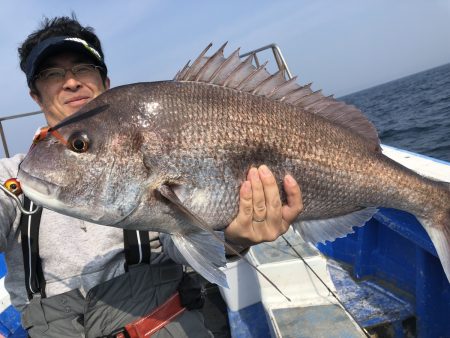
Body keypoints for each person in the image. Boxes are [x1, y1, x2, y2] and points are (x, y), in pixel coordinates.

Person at [0, 15, 303, 337]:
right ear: (36, 94)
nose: (71, 81)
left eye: (83, 68)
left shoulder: (153, 143)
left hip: (168, 322)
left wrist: (235, 238)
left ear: (106, 82)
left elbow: (183, 240)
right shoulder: (13, 175)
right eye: (52, 73)